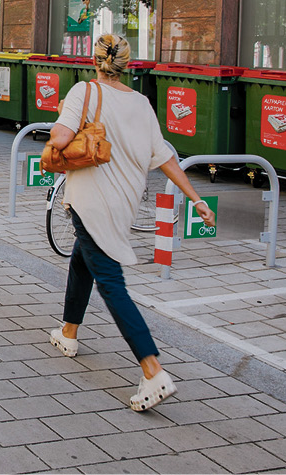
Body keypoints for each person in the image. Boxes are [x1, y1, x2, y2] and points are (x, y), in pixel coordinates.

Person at [46, 33, 215, 412]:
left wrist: (64, 118)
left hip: (91, 201)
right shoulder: (141, 104)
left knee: (111, 283)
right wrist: (197, 199)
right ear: (127, 63)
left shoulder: (82, 92)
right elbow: (165, 157)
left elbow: (59, 138)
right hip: (124, 204)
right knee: (81, 258)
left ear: (94, 61)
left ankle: (153, 371)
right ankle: (68, 332)